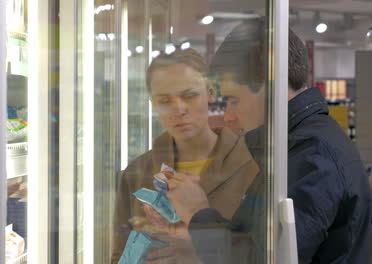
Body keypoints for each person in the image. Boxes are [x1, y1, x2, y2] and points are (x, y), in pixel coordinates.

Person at [166, 18, 371, 264]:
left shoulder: (312, 153)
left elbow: (262, 258)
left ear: (271, 81)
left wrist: (197, 213)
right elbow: (250, 239)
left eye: (234, 100)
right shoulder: (295, 145)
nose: (228, 117)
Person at [111, 48, 259, 263]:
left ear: (210, 92)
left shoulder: (253, 167)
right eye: (164, 100)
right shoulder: (137, 173)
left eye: (189, 95)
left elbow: (264, 253)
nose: (179, 109)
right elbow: (119, 254)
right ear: (153, 103)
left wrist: (198, 252)